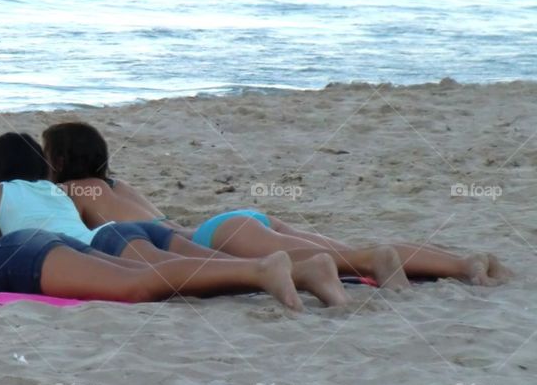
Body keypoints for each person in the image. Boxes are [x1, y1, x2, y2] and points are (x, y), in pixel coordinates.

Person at [0, 130, 308, 309]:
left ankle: (260, 271)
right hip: (20, 248)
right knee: (141, 281)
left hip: (4, 261)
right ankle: (268, 274)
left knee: (138, 287)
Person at [41, 121, 512, 288]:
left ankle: (378, 260)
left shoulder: (75, 192)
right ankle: (460, 264)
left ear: (62, 160)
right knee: (344, 248)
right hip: (236, 220)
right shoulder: (119, 185)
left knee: (350, 259)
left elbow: (62, 232)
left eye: (48, 156)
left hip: (210, 236)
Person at [0, 132, 350, 306]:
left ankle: (292, 273)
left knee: (177, 275)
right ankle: (304, 270)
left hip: (95, 245)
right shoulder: (55, 190)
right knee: (204, 264)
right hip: (130, 231)